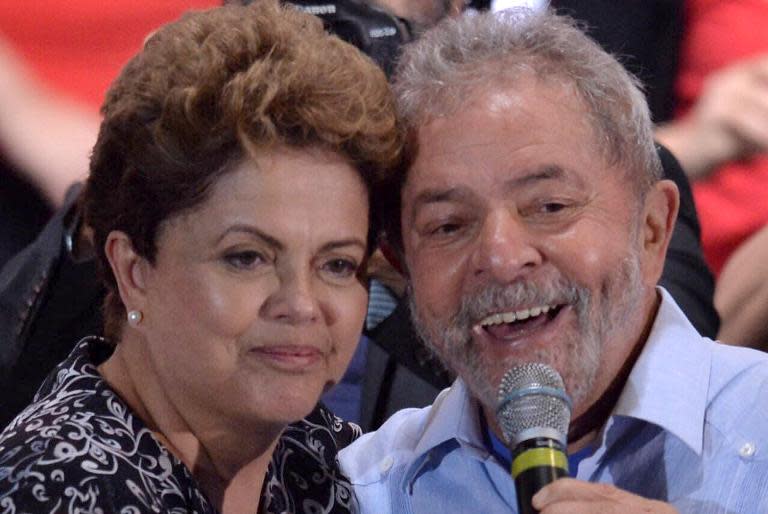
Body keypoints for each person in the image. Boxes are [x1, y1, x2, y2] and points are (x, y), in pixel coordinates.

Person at [339, 8, 768, 513]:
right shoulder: (362, 490)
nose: (501, 257)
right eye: (449, 226)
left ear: (652, 230)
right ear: (401, 263)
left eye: (549, 207)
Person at [0, 1, 402, 512]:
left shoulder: (327, 463)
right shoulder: (51, 490)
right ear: (133, 270)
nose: (302, 304)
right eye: (247, 258)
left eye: (337, 264)